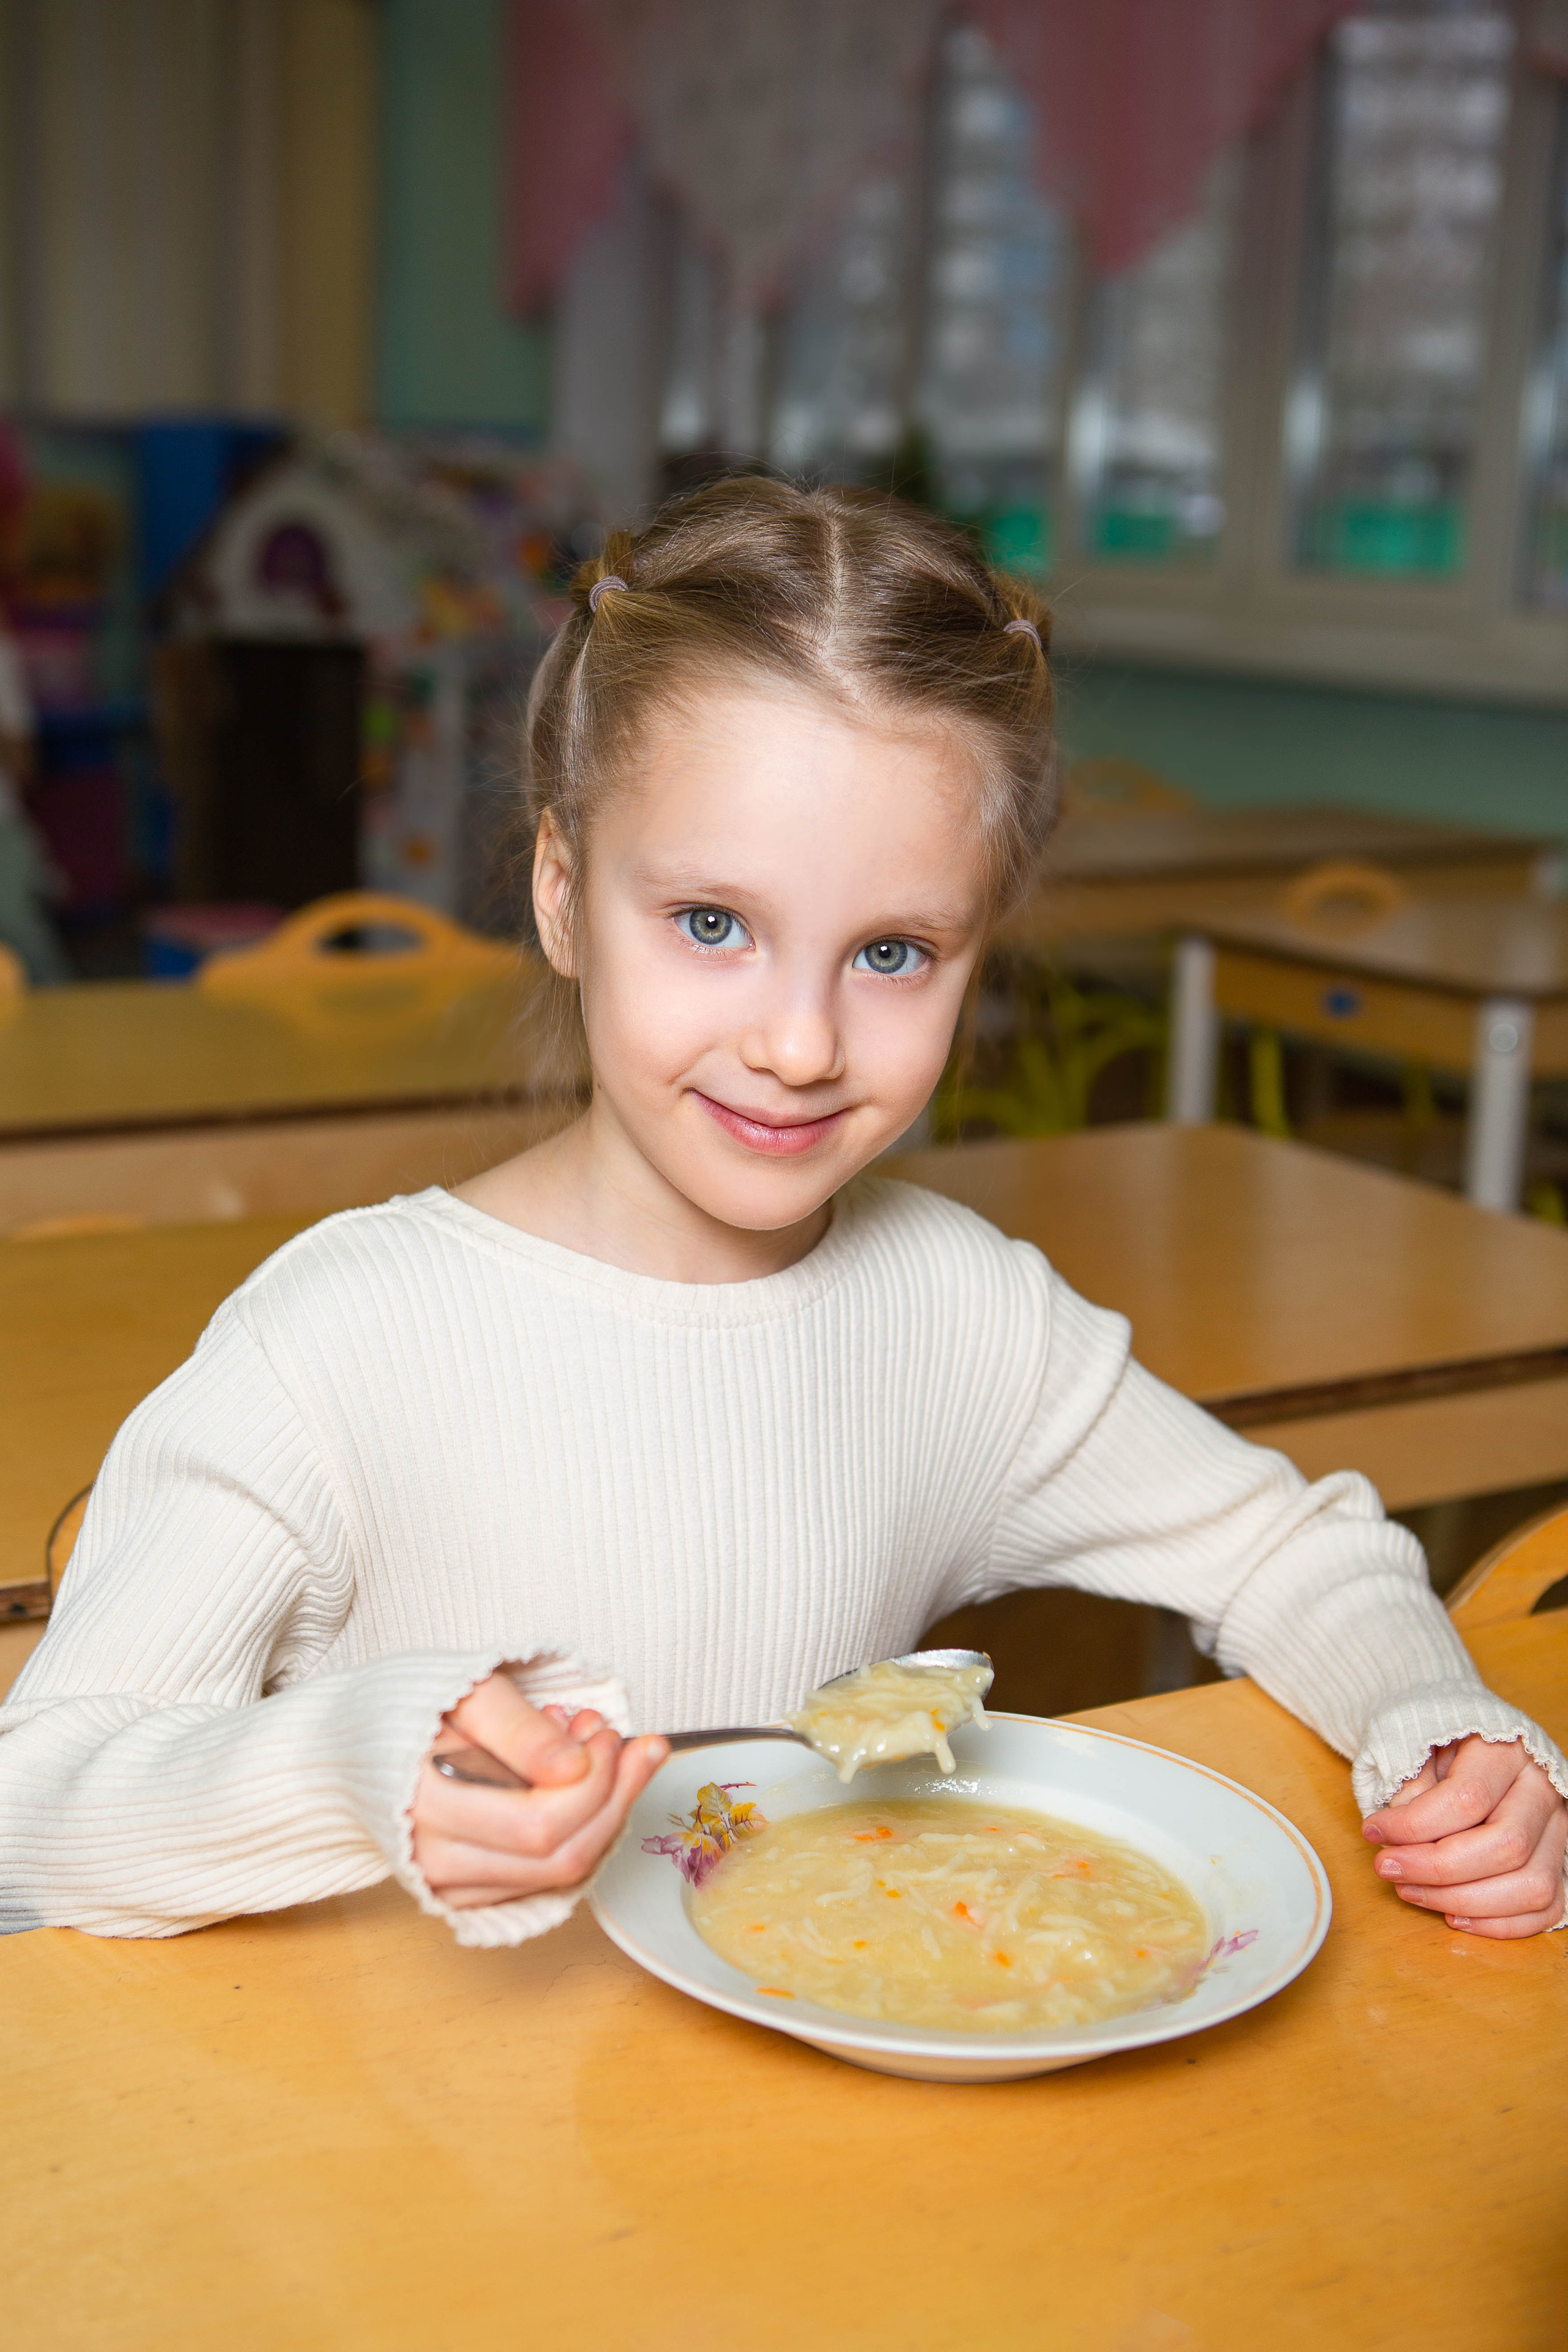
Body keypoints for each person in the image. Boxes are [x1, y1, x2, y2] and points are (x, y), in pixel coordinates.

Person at [2, 478, 1562, 1945]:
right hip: (398, 2169)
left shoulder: (962, 1317)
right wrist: (353, 1765)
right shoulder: (334, 1346)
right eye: (710, 924)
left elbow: (1292, 1550)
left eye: (891, 953)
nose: (801, 1044)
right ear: (558, 893)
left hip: (794, 2152)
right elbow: (33, 1805)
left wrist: (1430, 1725)